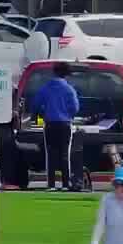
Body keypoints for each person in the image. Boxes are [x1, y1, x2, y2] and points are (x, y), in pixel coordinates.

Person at [31, 62, 81, 191]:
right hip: (65, 124)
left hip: (50, 124)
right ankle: (65, 184)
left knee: (51, 154)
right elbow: (75, 108)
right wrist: (68, 114)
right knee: (65, 154)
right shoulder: (69, 89)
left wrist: (43, 114)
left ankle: (51, 184)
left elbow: (36, 104)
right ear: (66, 75)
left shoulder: (46, 87)